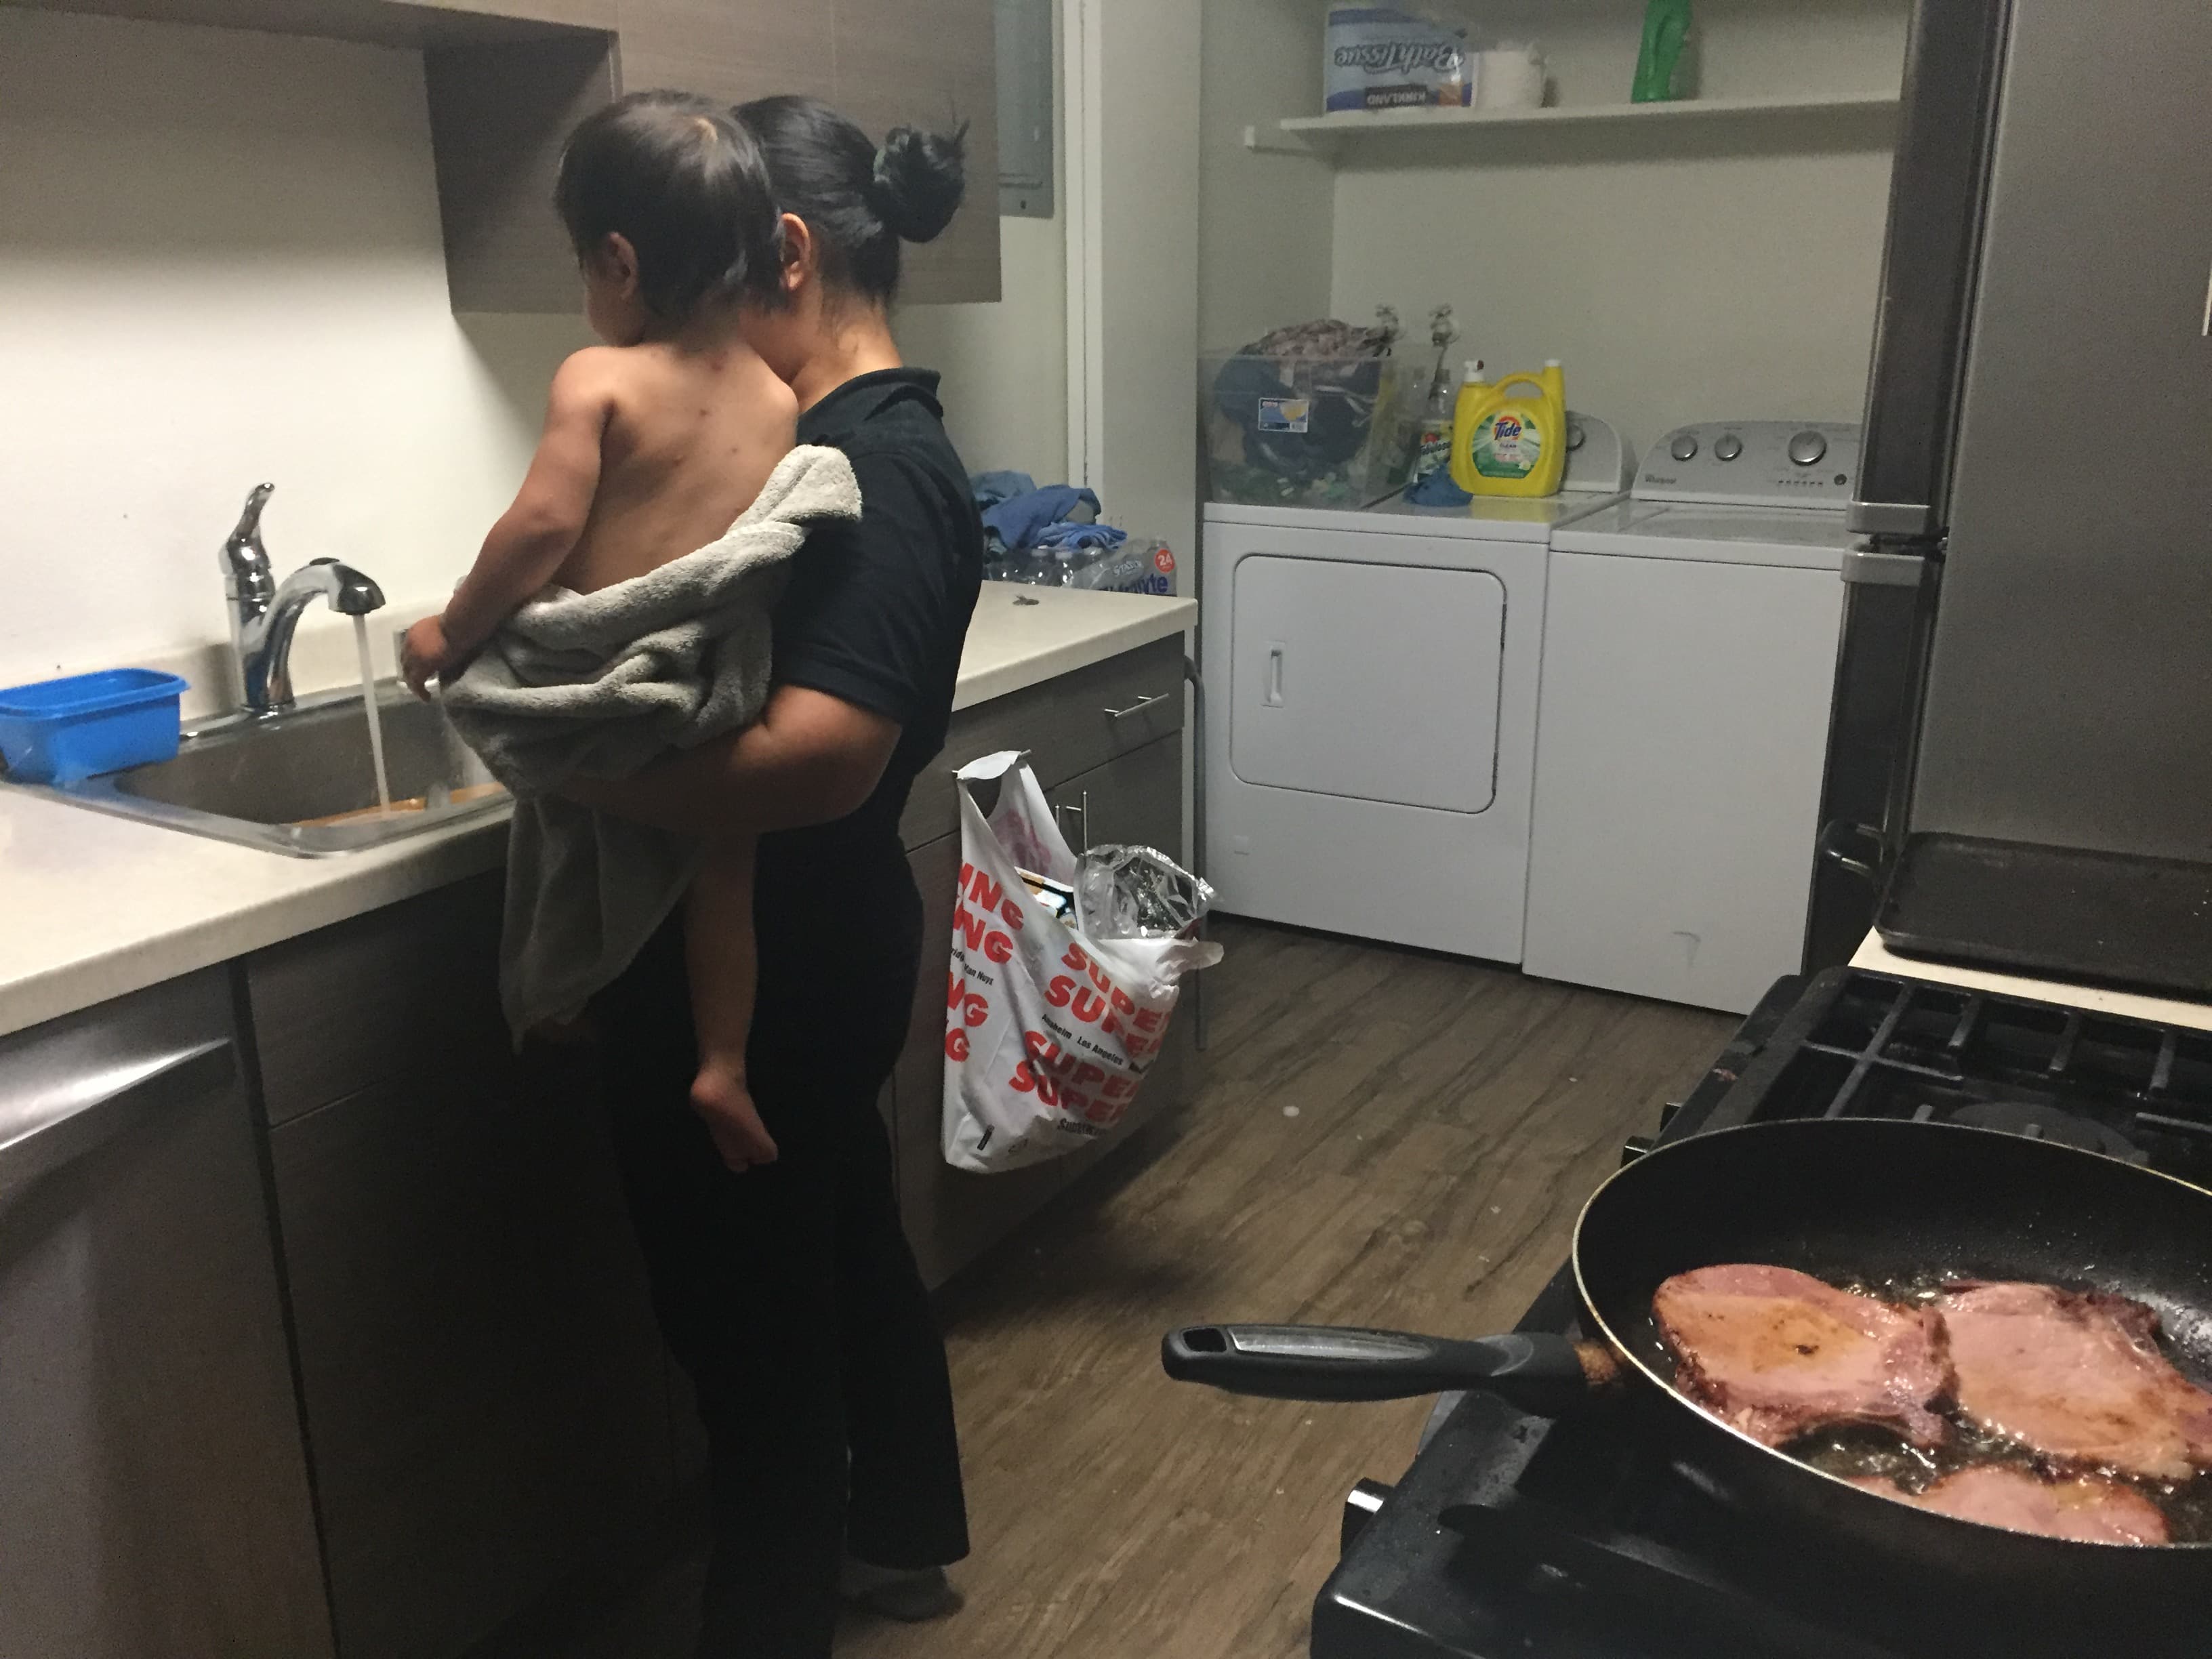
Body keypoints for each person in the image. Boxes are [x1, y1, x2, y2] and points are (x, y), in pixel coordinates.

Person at [561, 96, 981, 1658]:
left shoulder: (875, 464)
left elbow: (818, 757)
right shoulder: (851, 443)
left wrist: (563, 761)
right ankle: (902, 1533)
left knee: (751, 1328)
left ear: (784, 252)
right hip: (824, 934)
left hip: (782, 946)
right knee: (837, 1241)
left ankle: (769, 1624)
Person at [401, 91, 798, 1174]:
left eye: (582, 264)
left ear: (618, 263)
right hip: (702, 684)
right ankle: (724, 1060)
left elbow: (539, 529)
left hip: (593, 681)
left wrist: (449, 630)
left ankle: (556, 991)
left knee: (561, 824)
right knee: (724, 868)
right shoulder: (775, 395)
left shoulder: (601, 377)